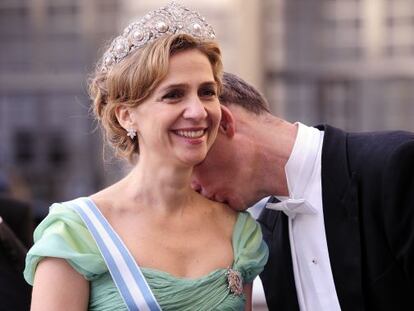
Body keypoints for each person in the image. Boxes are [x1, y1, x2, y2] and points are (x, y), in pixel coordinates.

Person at [24, 4, 268, 310]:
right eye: (173, 95)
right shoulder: (75, 235)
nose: (197, 111)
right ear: (126, 115)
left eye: (207, 92)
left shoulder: (238, 232)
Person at [192, 72, 414, 311]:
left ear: (224, 123)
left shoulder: (397, 165)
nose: (192, 189)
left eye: (188, 166)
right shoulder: (264, 236)